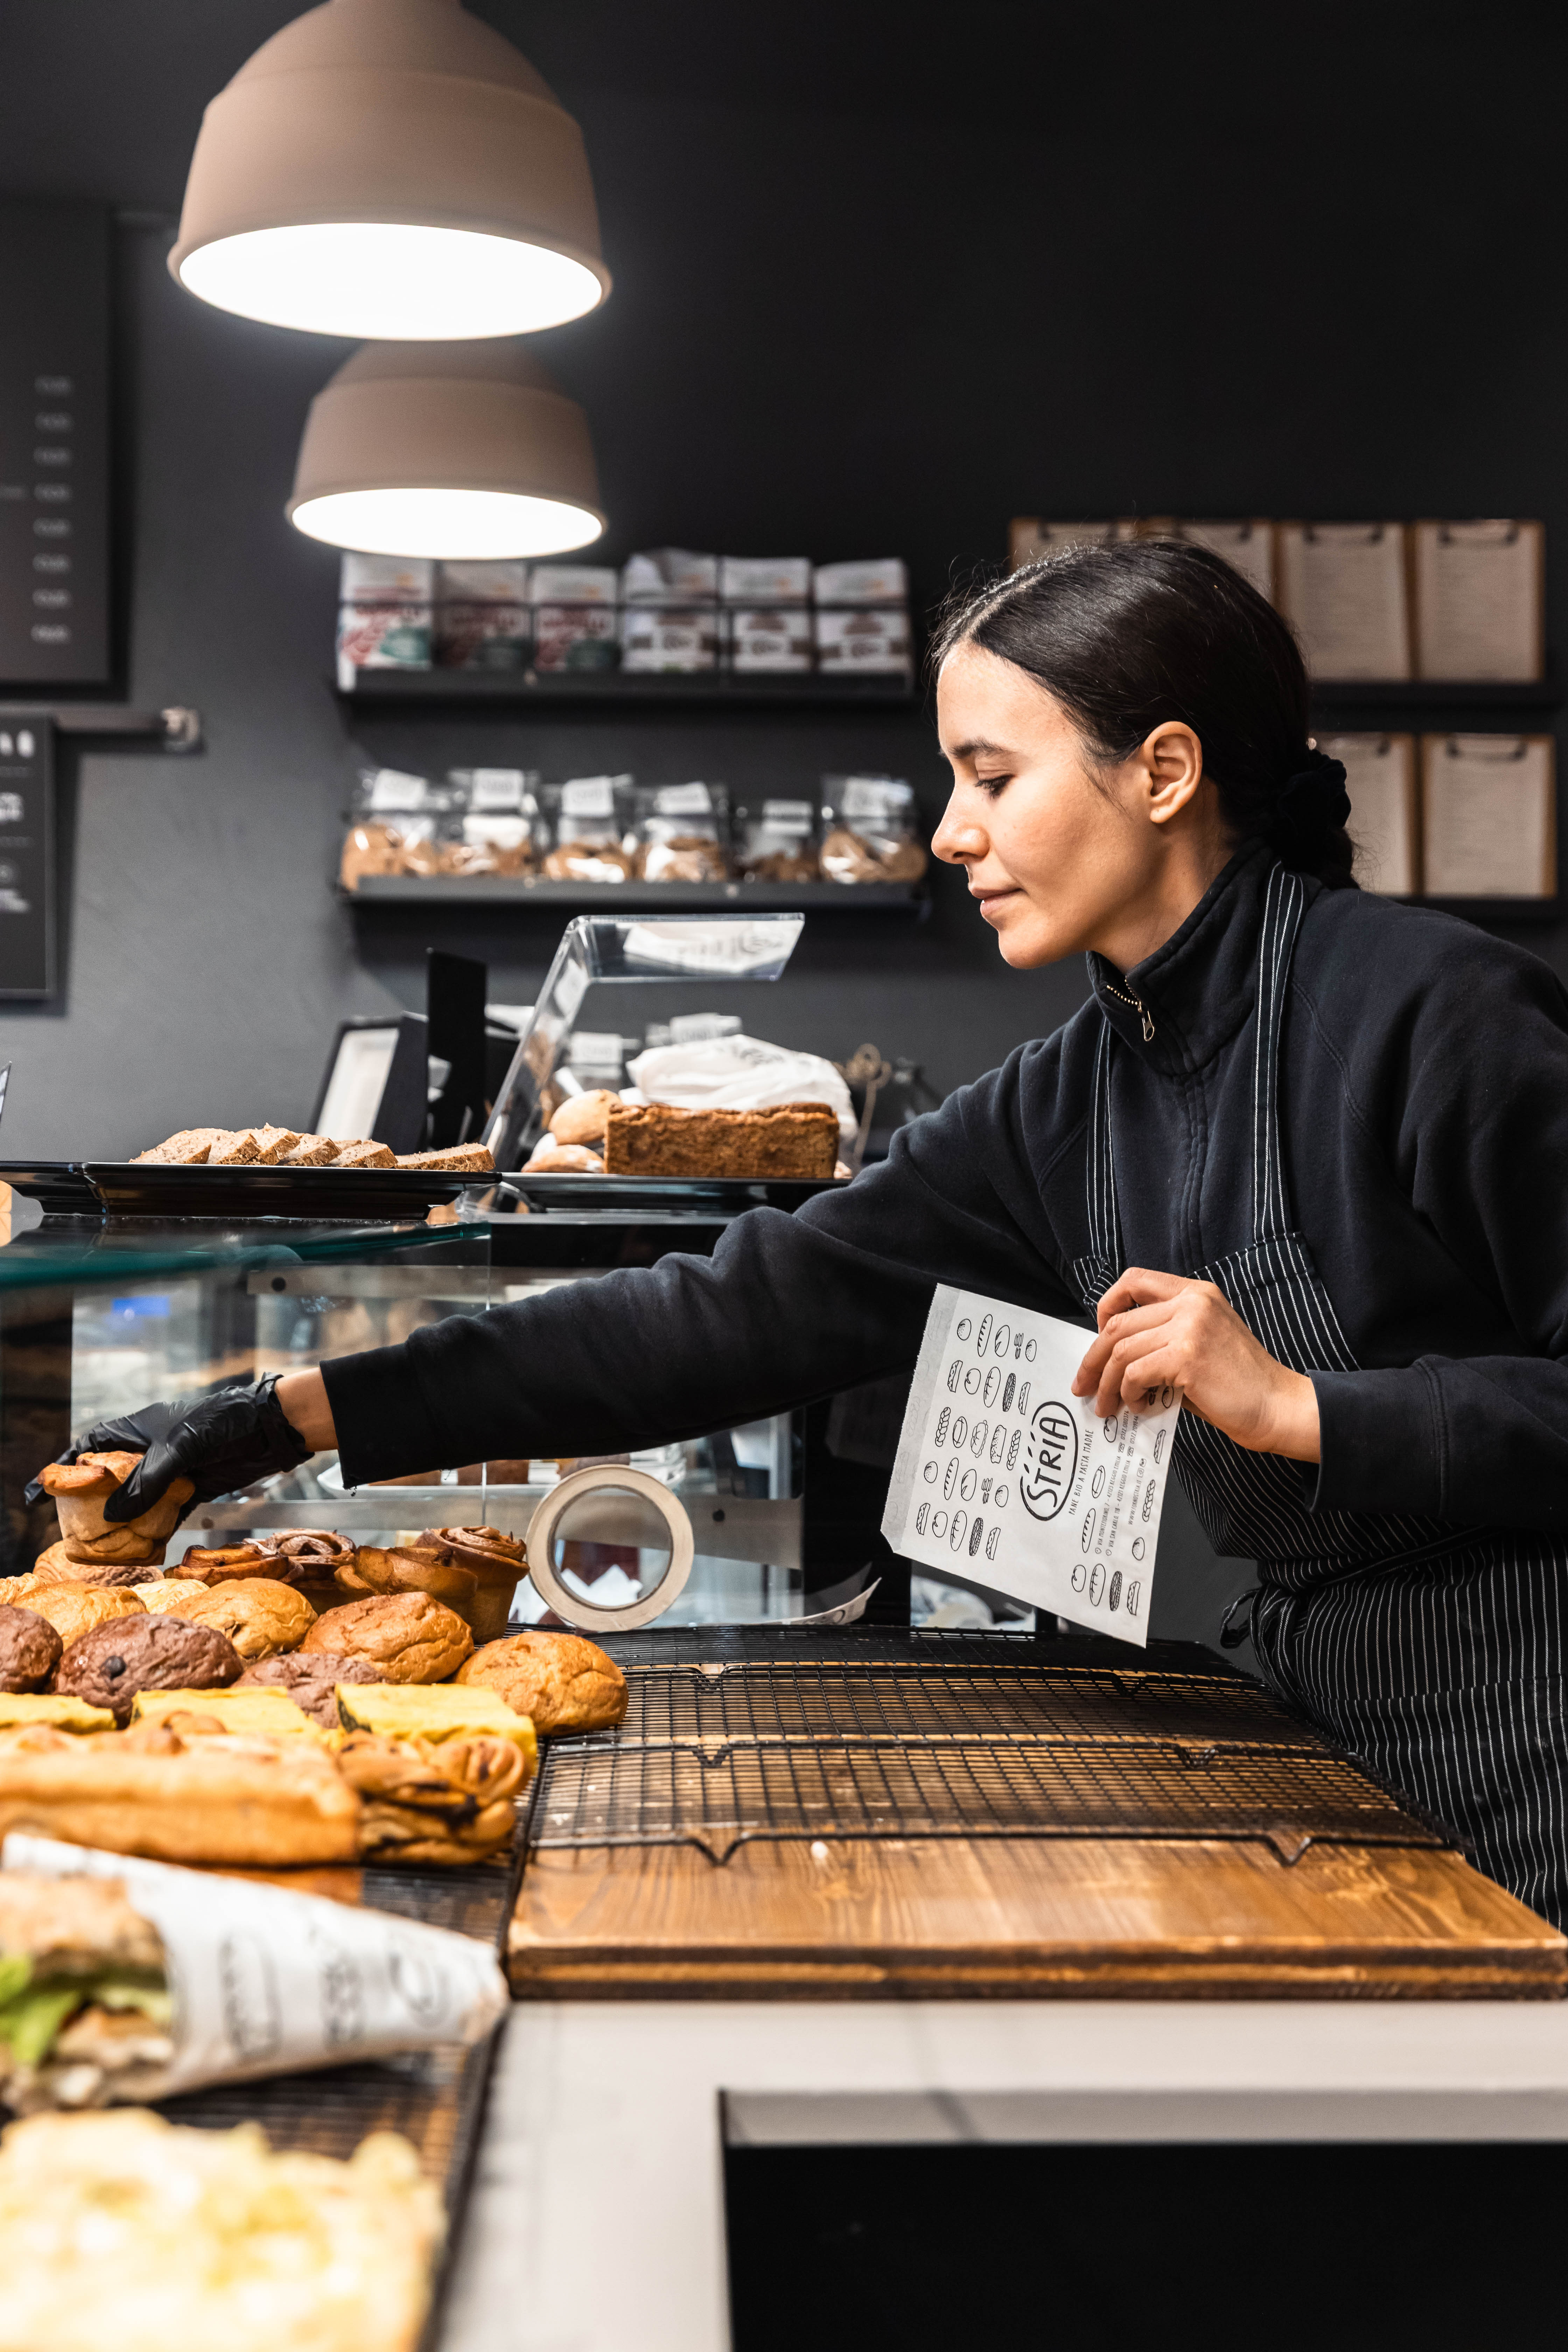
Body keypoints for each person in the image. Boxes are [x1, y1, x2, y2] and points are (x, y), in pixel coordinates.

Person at [43, 540, 1568, 1924]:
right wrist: (285, 1417)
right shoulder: (1065, 1102)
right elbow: (727, 1317)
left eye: (991, 778)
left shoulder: (1436, 1012)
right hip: (1315, 1726)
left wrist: (1304, 1410)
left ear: (1162, 771)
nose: (950, 834)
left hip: (1529, 1740)